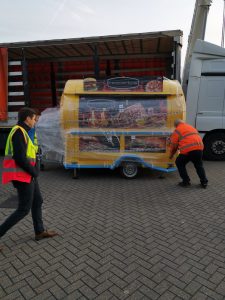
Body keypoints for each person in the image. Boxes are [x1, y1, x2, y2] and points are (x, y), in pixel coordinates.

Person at [0, 107, 58, 251]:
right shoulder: (18, 132)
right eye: (33, 119)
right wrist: (34, 171)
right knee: (23, 209)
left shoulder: (25, 131)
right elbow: (19, 157)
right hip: (22, 175)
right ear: (27, 118)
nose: (35, 121)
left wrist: (34, 171)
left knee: (37, 201)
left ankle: (39, 231)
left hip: (28, 174)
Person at [169, 119, 208, 188]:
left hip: (188, 150)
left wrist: (171, 155)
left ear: (176, 125)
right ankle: (204, 182)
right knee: (199, 165)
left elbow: (174, 145)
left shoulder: (177, 130)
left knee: (179, 163)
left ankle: (186, 181)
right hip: (199, 148)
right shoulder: (191, 127)